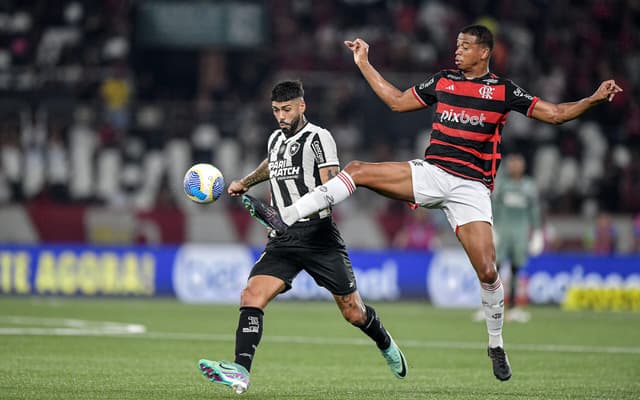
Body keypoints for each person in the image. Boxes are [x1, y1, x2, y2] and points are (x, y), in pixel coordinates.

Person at [241, 25, 623, 382]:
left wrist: (593, 98)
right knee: (357, 168)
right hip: (432, 172)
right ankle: (288, 214)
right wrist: (364, 63)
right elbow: (394, 101)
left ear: (484, 52)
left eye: (465, 46)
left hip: (471, 188)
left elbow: (554, 115)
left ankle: (496, 344)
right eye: (456, 44)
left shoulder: (504, 91)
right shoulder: (443, 81)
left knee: (489, 271)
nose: (457, 50)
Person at [198, 80, 407, 394]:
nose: (281, 116)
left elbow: (333, 188)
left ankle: (385, 342)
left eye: (286, 109)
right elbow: (272, 165)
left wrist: (293, 211)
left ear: (302, 106)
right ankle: (241, 370)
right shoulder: (274, 139)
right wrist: (246, 181)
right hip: (283, 238)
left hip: (319, 237)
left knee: (353, 312)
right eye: (275, 110)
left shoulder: (319, 138)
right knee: (251, 296)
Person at [490, 153, 542, 323]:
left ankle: (512, 306)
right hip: (503, 230)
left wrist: (537, 232)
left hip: (520, 233)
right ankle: (490, 307)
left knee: (516, 268)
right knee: (493, 269)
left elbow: (534, 210)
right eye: (512, 163)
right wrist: (492, 229)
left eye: (518, 163)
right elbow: (493, 206)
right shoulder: (502, 184)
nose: (515, 167)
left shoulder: (529, 186)